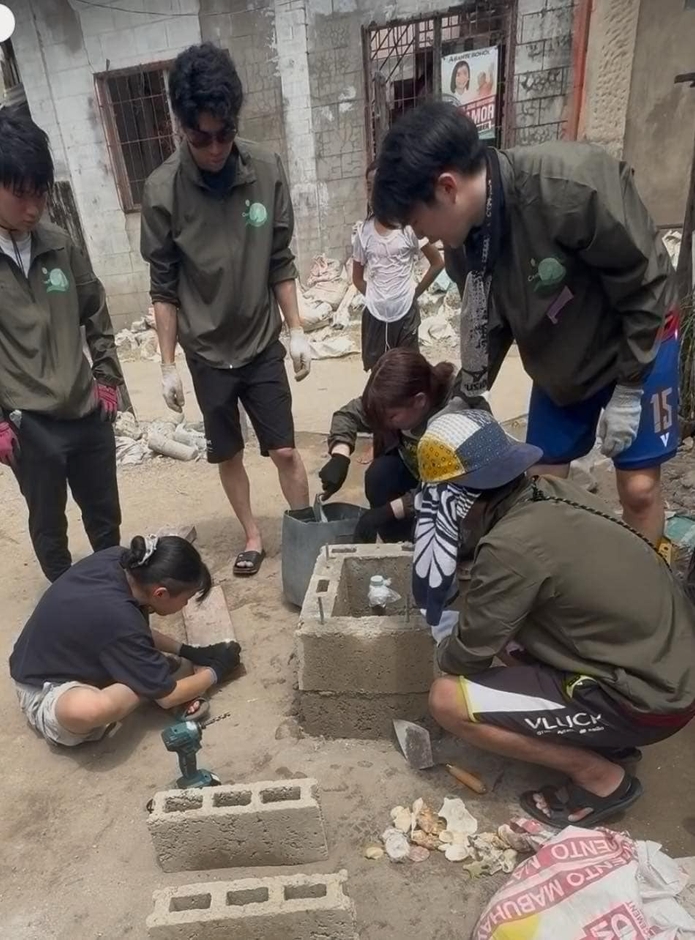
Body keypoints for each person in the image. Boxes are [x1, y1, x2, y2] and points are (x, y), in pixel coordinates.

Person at [372, 101, 679, 547]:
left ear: (447, 187)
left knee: (637, 489)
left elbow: (647, 284)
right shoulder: (463, 242)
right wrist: (467, 396)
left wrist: (630, 389)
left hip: (638, 342)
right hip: (562, 359)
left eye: (420, 224)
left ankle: (651, 598)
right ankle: (562, 589)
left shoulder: (570, 187)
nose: (425, 239)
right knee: (542, 487)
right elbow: (485, 320)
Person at [414, 407, 695, 827]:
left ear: (463, 497)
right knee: (517, 636)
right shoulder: (552, 490)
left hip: (651, 701)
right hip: (671, 663)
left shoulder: (509, 547)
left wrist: (446, 640)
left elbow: (468, 656)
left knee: (448, 699)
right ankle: (606, 737)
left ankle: (600, 777)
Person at [141, 43, 312, 578]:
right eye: (201, 138)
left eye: (224, 134)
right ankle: (253, 535)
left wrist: (298, 329)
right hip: (208, 352)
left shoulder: (265, 169)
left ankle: (307, 528)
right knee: (228, 453)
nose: (215, 148)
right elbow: (164, 284)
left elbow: (280, 259)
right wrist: (167, 363)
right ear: (182, 128)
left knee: (284, 450)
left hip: (261, 343)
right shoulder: (162, 190)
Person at [0, 112, 124, 582]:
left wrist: (107, 377)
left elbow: (95, 308)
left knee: (104, 517)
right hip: (29, 426)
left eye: (41, 193)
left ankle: (113, 591)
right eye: (21, 194)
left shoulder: (58, 244)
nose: (33, 208)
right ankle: (67, 601)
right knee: (49, 525)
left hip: (86, 412)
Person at [9, 535, 242, 747]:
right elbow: (167, 696)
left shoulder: (122, 562)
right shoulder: (118, 617)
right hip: (42, 687)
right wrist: (216, 670)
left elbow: (133, 631)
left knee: (147, 669)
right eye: (187, 598)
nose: (185, 605)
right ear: (160, 593)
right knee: (91, 710)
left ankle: (145, 673)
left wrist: (188, 651)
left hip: (56, 654)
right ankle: (146, 677)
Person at [319, 348, 456, 542]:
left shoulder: (453, 417)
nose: (384, 423)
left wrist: (389, 511)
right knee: (380, 475)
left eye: (391, 417)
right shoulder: (395, 403)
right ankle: (398, 546)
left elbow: (447, 488)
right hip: (415, 475)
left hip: (451, 495)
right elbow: (348, 415)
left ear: (420, 401)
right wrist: (340, 455)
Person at [353, 161, 444, 373]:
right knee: (380, 376)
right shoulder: (363, 232)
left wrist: (414, 293)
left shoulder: (408, 227)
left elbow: (438, 262)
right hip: (375, 316)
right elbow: (357, 278)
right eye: (368, 187)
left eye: (378, 185)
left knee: (408, 374)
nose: (373, 192)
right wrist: (377, 295)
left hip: (405, 313)